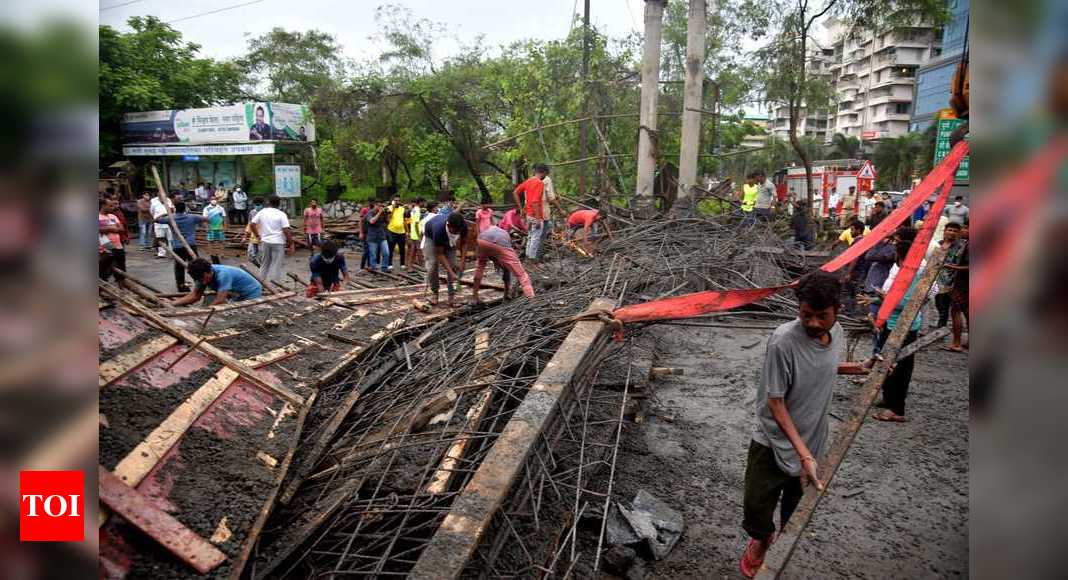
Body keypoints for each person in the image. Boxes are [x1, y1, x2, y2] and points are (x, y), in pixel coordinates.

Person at [739, 272, 844, 578]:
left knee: (795, 508)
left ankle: (777, 544)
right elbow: (775, 402)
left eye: (821, 316)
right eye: (806, 315)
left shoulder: (836, 333)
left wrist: (861, 368)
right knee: (756, 506)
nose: (813, 323)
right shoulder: (783, 341)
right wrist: (803, 455)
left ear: (837, 310)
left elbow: (825, 366)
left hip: (812, 438)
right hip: (773, 441)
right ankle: (761, 539)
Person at [864, 237, 936, 422]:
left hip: (904, 326)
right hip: (894, 323)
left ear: (900, 255)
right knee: (888, 362)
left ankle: (897, 409)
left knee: (901, 367)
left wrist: (885, 297)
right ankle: (889, 399)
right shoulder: (905, 273)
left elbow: (908, 303)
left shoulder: (914, 275)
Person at [473, 224, 534, 302]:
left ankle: (475, 297)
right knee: (521, 274)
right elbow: (506, 270)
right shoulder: (505, 236)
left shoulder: (491, 228)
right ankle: (531, 298)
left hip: (482, 241)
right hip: (499, 243)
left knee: (480, 266)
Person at [156, 201, 208, 292]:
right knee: (196, 265)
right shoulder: (192, 217)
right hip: (191, 244)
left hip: (177, 246)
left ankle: (181, 286)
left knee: (179, 267)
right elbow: (206, 218)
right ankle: (200, 284)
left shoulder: (171, 218)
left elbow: (156, 219)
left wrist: (167, 212)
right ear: (185, 208)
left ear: (175, 209)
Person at [423, 212, 472, 307]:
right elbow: (440, 254)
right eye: (455, 231)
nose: (458, 233)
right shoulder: (438, 230)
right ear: (448, 225)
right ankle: (435, 293)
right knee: (432, 265)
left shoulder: (462, 225)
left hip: (448, 239)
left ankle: (451, 296)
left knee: (453, 264)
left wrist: (462, 262)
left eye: (459, 231)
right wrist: (451, 272)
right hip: (431, 237)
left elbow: (465, 243)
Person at [172, 259, 262, 306]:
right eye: (200, 280)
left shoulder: (223, 275)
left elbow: (220, 301)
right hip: (236, 294)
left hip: (251, 292)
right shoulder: (199, 275)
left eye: (204, 278)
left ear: (209, 271)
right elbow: (195, 296)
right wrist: (173, 304)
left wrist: (204, 313)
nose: (203, 282)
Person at [249, 196, 293, 284]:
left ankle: (261, 282)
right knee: (277, 264)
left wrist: (258, 236)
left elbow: (252, 225)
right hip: (278, 242)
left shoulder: (262, 212)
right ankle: (276, 284)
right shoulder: (281, 214)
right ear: (279, 203)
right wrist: (290, 242)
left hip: (265, 241)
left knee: (265, 263)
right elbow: (285, 230)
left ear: (269, 202)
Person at [513, 164, 549, 261]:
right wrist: (538, 219)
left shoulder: (528, 181)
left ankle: (528, 258)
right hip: (535, 215)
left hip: (528, 214)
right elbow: (535, 202)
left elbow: (515, 192)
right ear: (544, 173)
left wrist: (521, 208)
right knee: (535, 238)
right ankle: (531, 261)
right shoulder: (539, 183)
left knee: (530, 237)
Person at [935, 222, 965, 328]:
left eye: (955, 231)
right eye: (949, 230)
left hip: (956, 282)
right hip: (939, 281)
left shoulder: (963, 246)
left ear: (959, 233)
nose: (951, 233)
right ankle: (941, 327)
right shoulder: (938, 244)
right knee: (941, 306)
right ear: (944, 231)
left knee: (958, 310)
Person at [944, 226, 969, 352]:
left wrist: (952, 267)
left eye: (965, 228)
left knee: (956, 311)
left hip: (964, 282)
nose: (962, 231)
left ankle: (956, 343)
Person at [538, 165, 566, 248]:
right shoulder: (547, 179)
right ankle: (538, 256)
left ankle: (532, 256)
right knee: (542, 234)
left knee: (534, 235)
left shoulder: (531, 180)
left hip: (531, 212)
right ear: (545, 172)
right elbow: (551, 197)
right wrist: (560, 209)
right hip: (542, 211)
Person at [98, 198, 126, 280]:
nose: (113, 207)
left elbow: (121, 228)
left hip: (118, 246)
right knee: (104, 270)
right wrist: (112, 228)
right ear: (103, 206)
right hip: (105, 248)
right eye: (110, 205)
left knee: (121, 268)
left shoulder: (113, 216)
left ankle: (122, 287)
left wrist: (108, 228)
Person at [363, 199, 390, 272]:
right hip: (372, 236)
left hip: (381, 235)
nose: (380, 207)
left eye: (381, 206)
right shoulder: (370, 213)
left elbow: (387, 222)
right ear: (375, 205)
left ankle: (384, 267)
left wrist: (387, 214)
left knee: (386, 252)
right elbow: (372, 221)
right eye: (379, 205)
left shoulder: (383, 213)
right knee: (373, 255)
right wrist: (379, 213)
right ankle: (373, 268)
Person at [150, 189, 175, 258]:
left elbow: (173, 209)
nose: (163, 198)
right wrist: (157, 218)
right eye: (161, 196)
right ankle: (161, 253)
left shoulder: (168, 200)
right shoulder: (153, 201)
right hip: (158, 223)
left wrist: (169, 212)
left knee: (170, 238)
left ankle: (173, 253)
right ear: (158, 196)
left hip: (168, 222)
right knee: (160, 238)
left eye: (164, 196)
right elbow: (152, 212)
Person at [202, 197, 227, 264]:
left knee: (222, 241)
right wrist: (206, 227)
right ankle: (211, 255)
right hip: (211, 227)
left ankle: (222, 254)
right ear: (210, 200)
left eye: (215, 199)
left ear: (217, 200)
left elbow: (224, 217)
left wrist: (225, 226)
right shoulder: (206, 208)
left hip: (220, 227)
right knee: (210, 242)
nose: (214, 200)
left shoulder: (221, 208)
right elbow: (204, 218)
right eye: (212, 199)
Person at [385, 196, 407, 269]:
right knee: (390, 247)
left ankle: (402, 263)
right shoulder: (389, 208)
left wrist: (407, 231)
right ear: (393, 201)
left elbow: (404, 220)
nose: (397, 202)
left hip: (401, 231)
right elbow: (388, 219)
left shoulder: (402, 209)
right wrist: (393, 209)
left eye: (398, 200)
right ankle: (389, 263)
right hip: (391, 231)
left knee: (402, 248)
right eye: (395, 200)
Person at [243, 197, 264, 267]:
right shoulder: (252, 212)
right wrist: (245, 237)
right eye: (256, 205)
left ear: (262, 204)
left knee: (262, 256)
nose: (257, 206)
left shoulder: (265, 213)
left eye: (259, 204)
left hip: (263, 237)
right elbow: (249, 225)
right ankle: (260, 267)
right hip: (254, 238)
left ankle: (264, 270)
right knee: (250, 255)